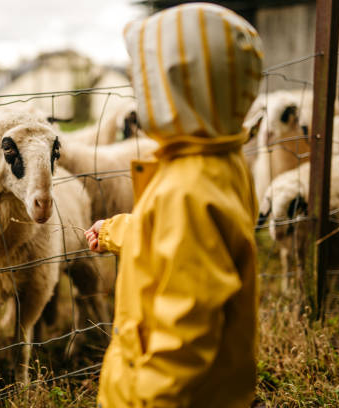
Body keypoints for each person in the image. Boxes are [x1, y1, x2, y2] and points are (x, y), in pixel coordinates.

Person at [84, 3, 263, 407]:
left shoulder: (186, 188)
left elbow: (183, 336)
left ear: (177, 88)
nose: (137, 92)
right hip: (216, 388)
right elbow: (175, 241)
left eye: (143, 82)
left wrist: (141, 400)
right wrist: (112, 230)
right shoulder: (218, 162)